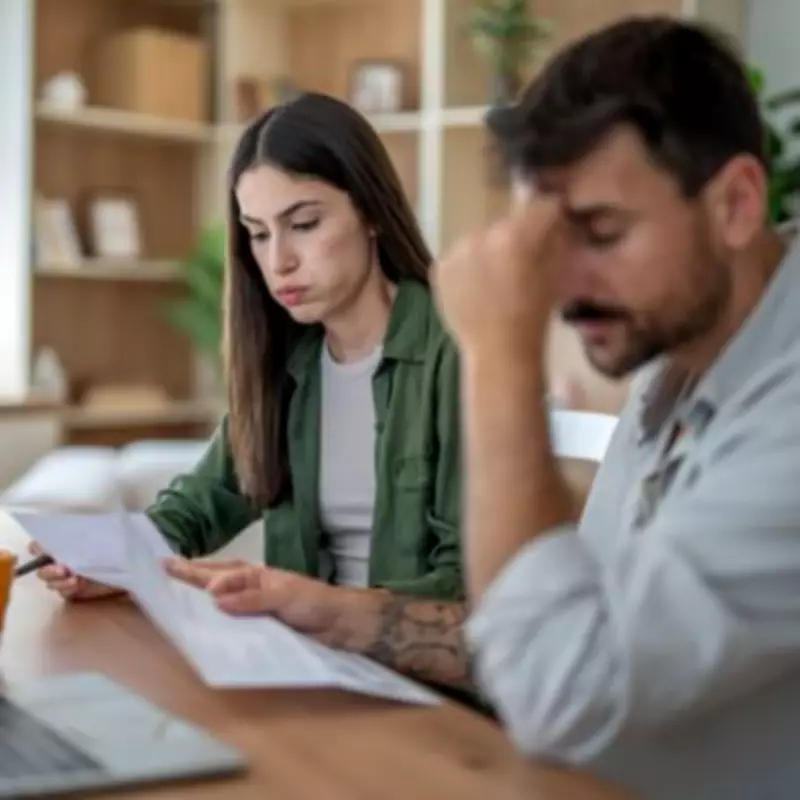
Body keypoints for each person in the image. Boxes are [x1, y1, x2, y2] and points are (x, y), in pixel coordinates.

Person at [433, 15, 800, 800]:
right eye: (542, 243)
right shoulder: (679, 363)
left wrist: (498, 353)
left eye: (600, 231)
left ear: (736, 204)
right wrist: (353, 622)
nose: (561, 288)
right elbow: (584, 611)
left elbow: (552, 686)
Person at [32, 92, 472, 694]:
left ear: (371, 211)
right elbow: (201, 504)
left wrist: (314, 604)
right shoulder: (291, 359)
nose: (279, 261)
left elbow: (469, 586)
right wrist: (114, 562)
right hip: (308, 668)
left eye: (305, 224)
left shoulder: (458, 348)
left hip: (422, 686)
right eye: (258, 234)